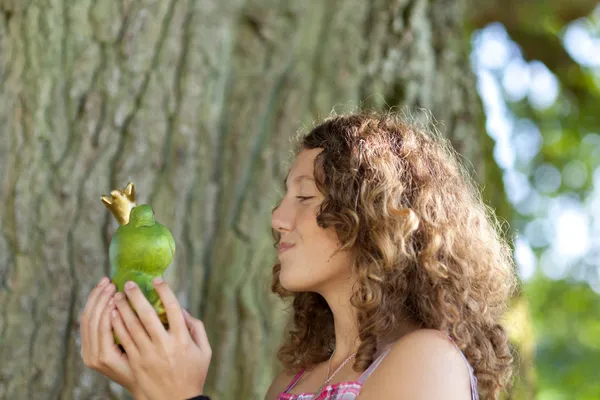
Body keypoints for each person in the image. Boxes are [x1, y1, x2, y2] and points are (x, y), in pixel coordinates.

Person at [80, 110, 517, 400]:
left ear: (374, 219)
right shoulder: (288, 385)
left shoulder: (427, 359)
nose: (278, 217)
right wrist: (151, 384)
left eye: (305, 196)